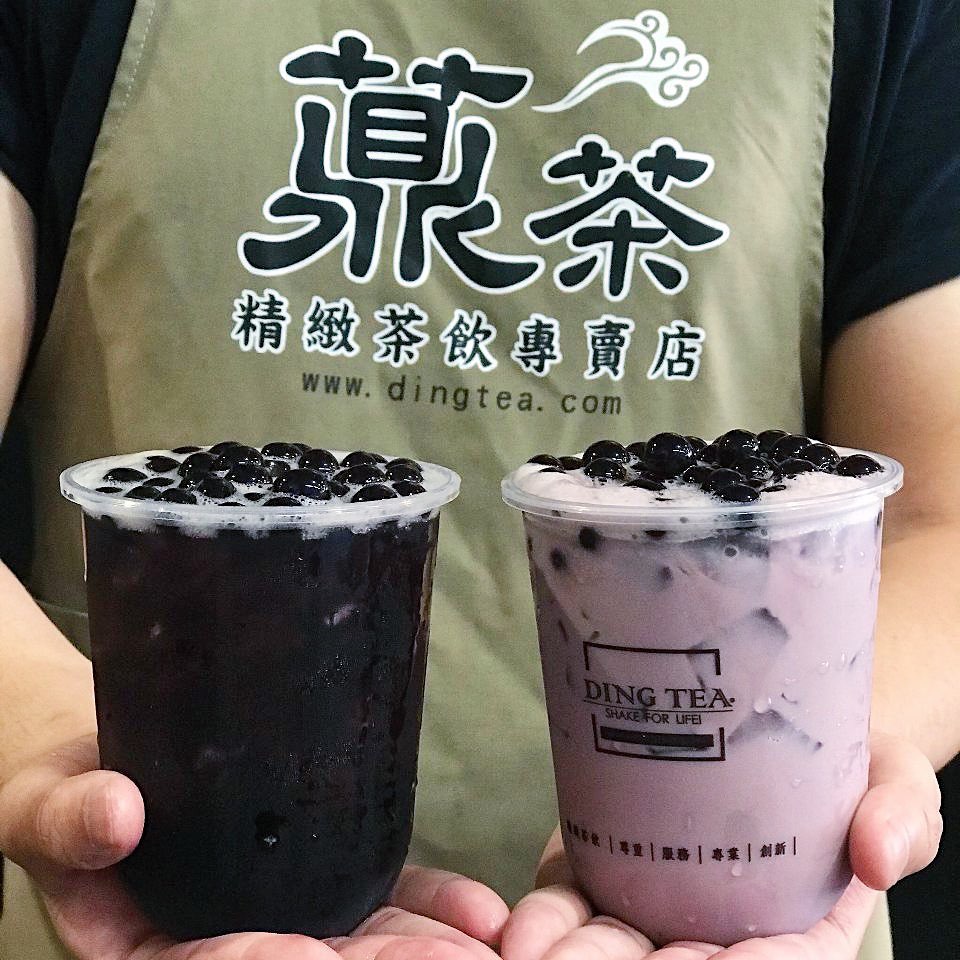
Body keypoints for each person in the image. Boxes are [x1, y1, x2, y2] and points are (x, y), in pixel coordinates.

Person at [0, 1, 956, 959]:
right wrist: (49, 740)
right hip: (153, 883)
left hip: (759, 902)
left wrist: (813, 767)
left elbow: (941, 514)